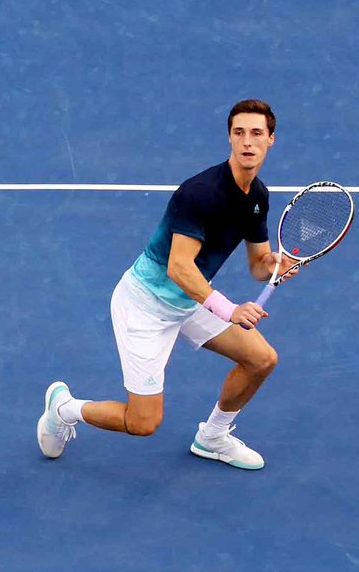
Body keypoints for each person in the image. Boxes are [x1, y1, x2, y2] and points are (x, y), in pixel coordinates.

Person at [37, 99, 296, 469]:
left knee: (261, 359)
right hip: (145, 305)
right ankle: (64, 409)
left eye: (257, 133)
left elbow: (258, 264)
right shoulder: (201, 193)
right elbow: (178, 267)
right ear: (229, 138)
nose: (247, 142)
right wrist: (230, 310)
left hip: (190, 301)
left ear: (271, 140)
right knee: (142, 423)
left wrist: (275, 265)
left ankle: (212, 437)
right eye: (239, 133)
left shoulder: (257, 198)